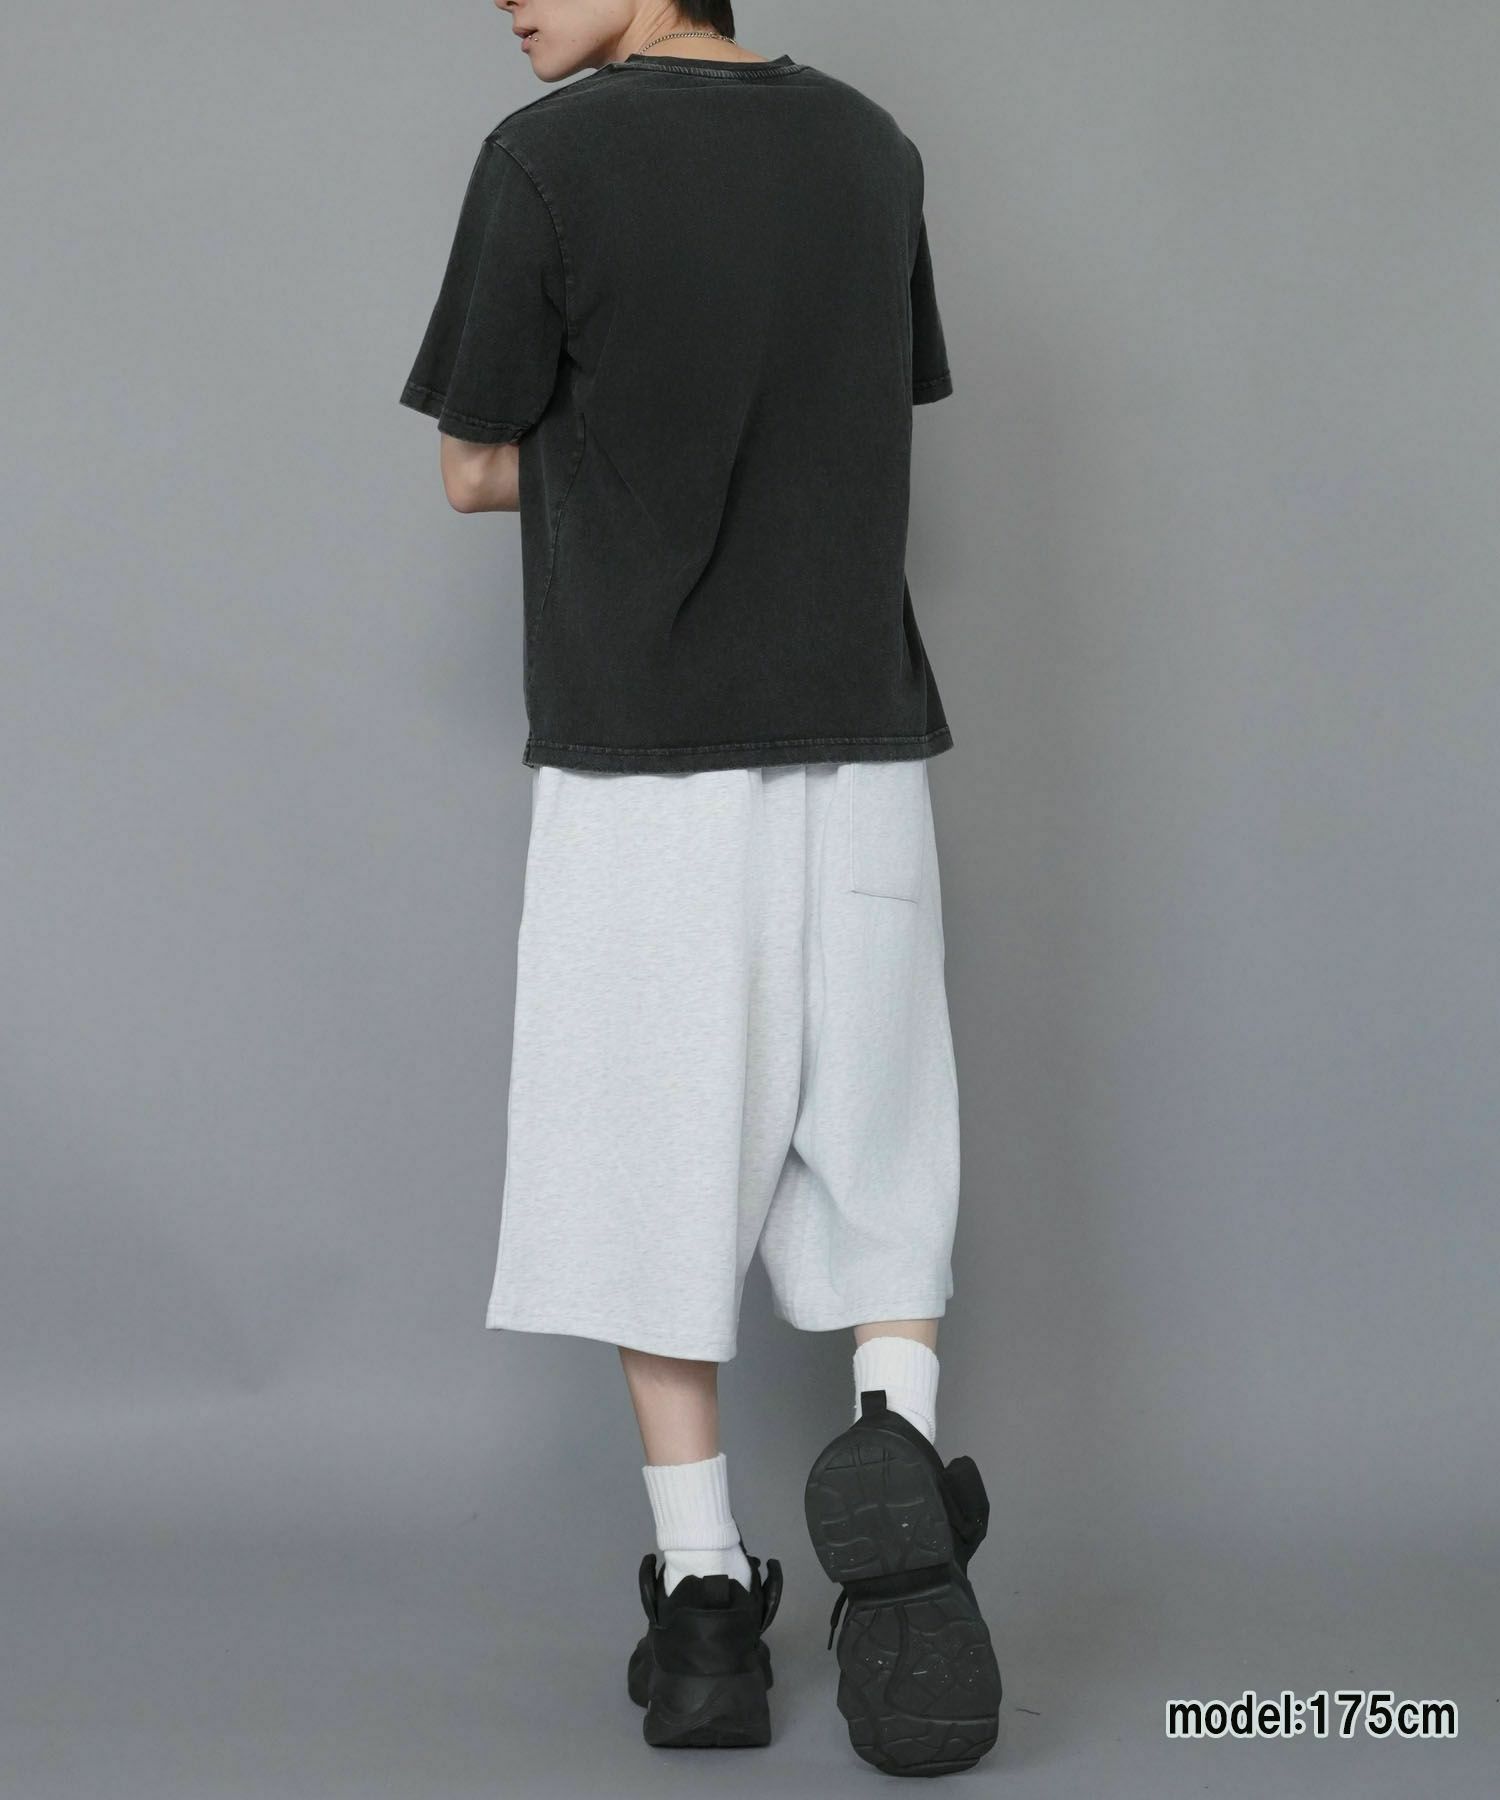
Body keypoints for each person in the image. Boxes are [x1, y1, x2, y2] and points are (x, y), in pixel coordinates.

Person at [398, 0, 1001, 1776]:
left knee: (646, 1166)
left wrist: (621, 453)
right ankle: (905, 1458)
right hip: (863, 738)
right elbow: (853, 421)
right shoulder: (873, 148)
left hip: (649, 752)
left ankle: (708, 1607)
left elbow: (472, 466)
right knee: (882, 1134)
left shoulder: (545, 162)